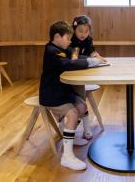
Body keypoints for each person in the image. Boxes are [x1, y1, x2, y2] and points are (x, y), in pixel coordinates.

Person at [39, 21, 102, 170]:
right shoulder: (51, 50)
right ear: (57, 36)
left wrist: (92, 60)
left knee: (81, 106)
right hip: (52, 94)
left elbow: (74, 59)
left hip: (63, 91)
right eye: (67, 38)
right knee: (73, 114)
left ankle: (70, 137)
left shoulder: (61, 48)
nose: (69, 41)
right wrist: (91, 62)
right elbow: (67, 64)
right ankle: (67, 157)